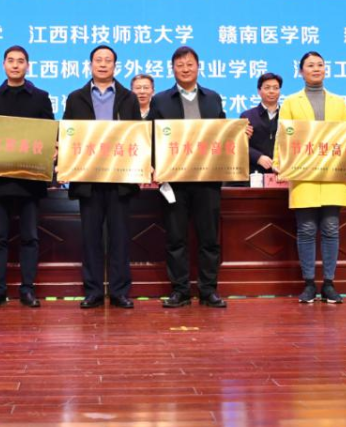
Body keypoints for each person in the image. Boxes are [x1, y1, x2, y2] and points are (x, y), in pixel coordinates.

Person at [148, 46, 227, 308]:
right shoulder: (160, 100)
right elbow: (150, 137)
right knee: (176, 238)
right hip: (174, 180)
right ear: (172, 69)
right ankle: (180, 290)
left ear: (198, 67)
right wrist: (153, 166)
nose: (185, 69)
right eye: (180, 65)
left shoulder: (213, 98)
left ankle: (208, 290)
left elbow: (223, 134)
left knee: (209, 238)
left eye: (190, 64)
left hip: (207, 179)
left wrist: (241, 134)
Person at [62, 45, 139, 309]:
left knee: (119, 238)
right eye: (98, 60)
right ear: (90, 65)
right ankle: (93, 290)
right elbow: (67, 134)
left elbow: (138, 136)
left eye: (108, 60)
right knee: (90, 237)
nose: (103, 64)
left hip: (120, 179)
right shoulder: (76, 98)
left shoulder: (129, 98)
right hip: (88, 180)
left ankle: (119, 291)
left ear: (115, 66)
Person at [0, 46, 55, 308]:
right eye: (10, 61)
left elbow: (50, 135)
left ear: (27, 66)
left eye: (20, 61)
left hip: (30, 179)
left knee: (29, 237)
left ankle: (27, 289)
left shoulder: (41, 97)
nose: (15, 65)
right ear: (3, 65)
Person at [274, 51, 346, 304]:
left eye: (320, 65)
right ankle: (308, 283)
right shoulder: (291, 102)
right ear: (301, 71)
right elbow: (283, 135)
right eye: (310, 65)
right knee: (306, 229)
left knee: (331, 228)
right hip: (303, 173)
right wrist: (279, 163)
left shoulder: (339, 102)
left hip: (333, 173)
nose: (316, 69)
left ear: (325, 69)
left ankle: (328, 283)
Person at [241, 73, 282, 177]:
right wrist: (258, 157)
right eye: (267, 88)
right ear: (259, 91)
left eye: (276, 88)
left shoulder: (286, 115)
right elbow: (241, 145)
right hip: (255, 172)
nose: (272, 91)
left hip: (282, 172)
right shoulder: (247, 116)